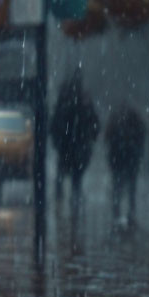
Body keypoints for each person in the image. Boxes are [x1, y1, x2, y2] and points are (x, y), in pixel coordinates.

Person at [49, 70, 99, 209]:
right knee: (75, 176)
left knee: (65, 174)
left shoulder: (66, 100)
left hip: (69, 145)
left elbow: (55, 124)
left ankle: (64, 198)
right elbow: (94, 123)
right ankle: (72, 198)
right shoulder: (80, 101)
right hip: (74, 145)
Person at [105, 105, 146, 225]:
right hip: (129, 161)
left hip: (119, 161)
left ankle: (117, 213)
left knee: (118, 188)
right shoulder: (136, 123)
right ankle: (129, 213)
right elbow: (141, 139)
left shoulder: (116, 122)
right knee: (130, 189)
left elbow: (107, 139)